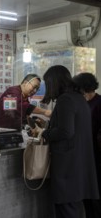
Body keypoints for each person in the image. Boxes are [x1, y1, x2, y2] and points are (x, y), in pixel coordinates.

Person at [40, 65, 99, 218]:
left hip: (68, 167)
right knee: (74, 209)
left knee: (66, 210)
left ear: (54, 82)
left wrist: (45, 133)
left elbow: (66, 131)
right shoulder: (78, 98)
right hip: (78, 164)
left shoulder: (65, 100)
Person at [73, 72, 101, 218]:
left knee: (96, 194)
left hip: (96, 155)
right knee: (86, 193)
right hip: (83, 154)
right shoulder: (81, 104)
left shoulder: (98, 103)